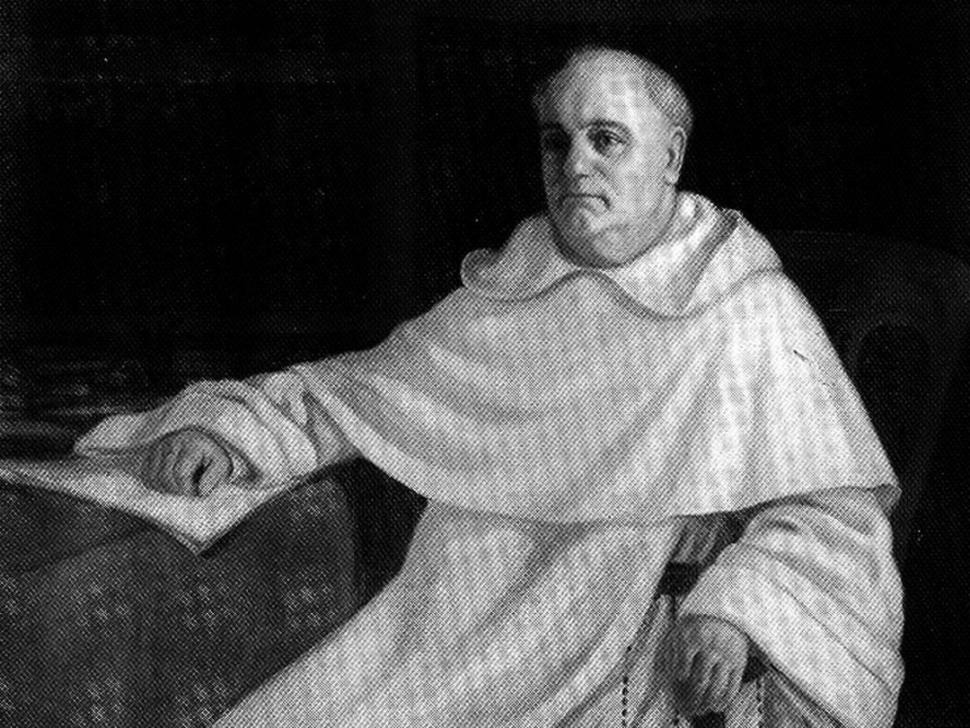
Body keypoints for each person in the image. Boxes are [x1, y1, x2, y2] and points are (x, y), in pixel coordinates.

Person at [75, 47, 904, 726]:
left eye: (606, 140)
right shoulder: (508, 294)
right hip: (449, 636)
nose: (574, 165)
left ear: (671, 157)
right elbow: (355, 396)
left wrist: (733, 612)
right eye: (556, 141)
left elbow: (830, 516)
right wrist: (229, 432)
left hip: (631, 654)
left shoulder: (747, 310)